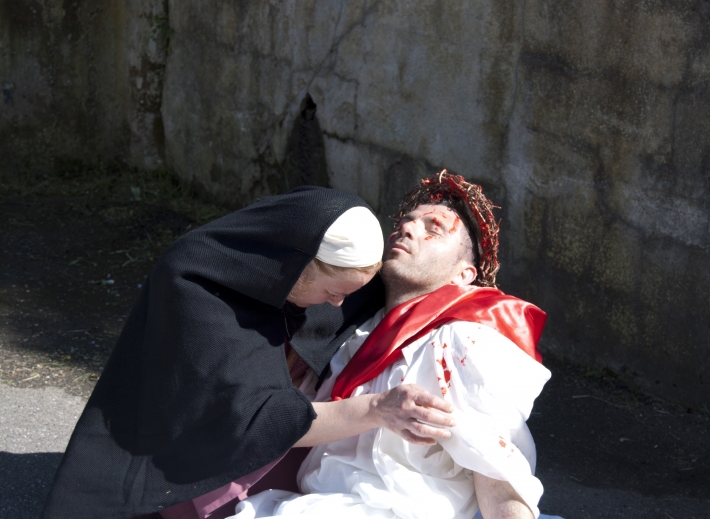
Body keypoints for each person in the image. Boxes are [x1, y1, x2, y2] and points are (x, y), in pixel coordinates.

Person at [42, 186, 456, 519]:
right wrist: (377, 409)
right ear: (295, 266)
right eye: (333, 293)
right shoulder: (195, 290)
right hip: (181, 455)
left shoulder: (318, 272)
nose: (337, 305)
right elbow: (257, 419)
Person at [230, 171, 555, 519]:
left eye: (434, 230)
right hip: (306, 505)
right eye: (405, 222)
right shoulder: (347, 327)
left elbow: (499, 476)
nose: (407, 229)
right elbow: (282, 424)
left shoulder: (464, 340)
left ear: (463, 275)